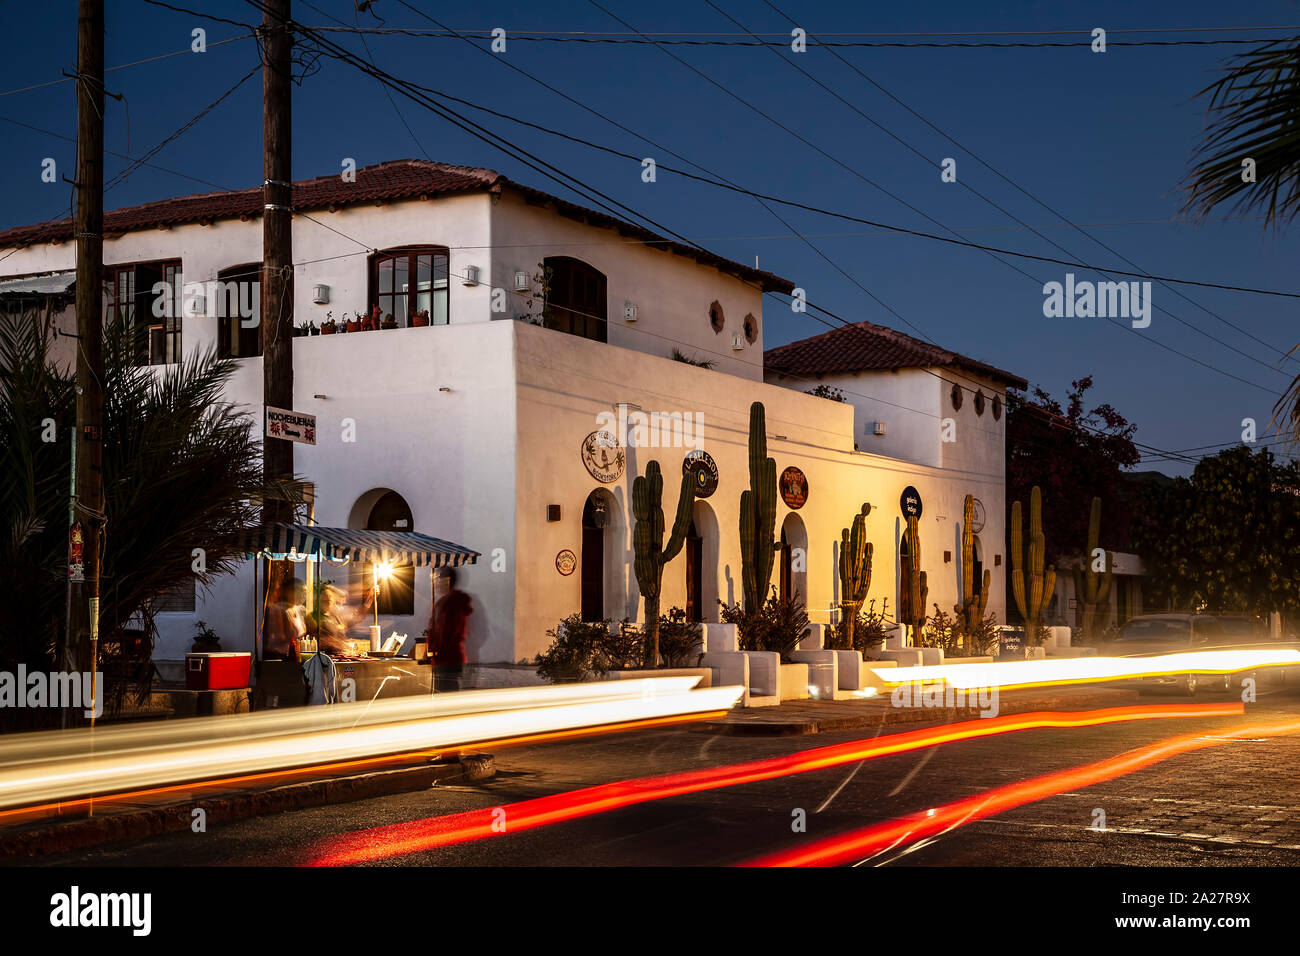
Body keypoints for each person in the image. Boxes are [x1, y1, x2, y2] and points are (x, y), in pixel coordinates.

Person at [426, 568, 473, 691]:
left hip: (449, 659)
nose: (436, 583)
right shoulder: (441, 602)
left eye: (439, 579)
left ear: (447, 581)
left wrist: (438, 649)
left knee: (447, 695)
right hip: (441, 658)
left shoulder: (454, 603)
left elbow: (450, 631)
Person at [312, 582, 375, 657]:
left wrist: (370, 598)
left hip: (341, 657)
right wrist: (337, 644)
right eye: (325, 598)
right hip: (327, 659)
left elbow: (358, 618)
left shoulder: (337, 617)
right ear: (318, 600)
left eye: (330, 598)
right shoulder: (314, 617)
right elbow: (316, 640)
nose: (328, 600)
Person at [264, 578, 308, 660]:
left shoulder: (299, 609)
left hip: (293, 656)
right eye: (299, 590)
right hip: (280, 657)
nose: (303, 595)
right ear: (288, 592)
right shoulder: (278, 610)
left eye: (305, 592)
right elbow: (280, 637)